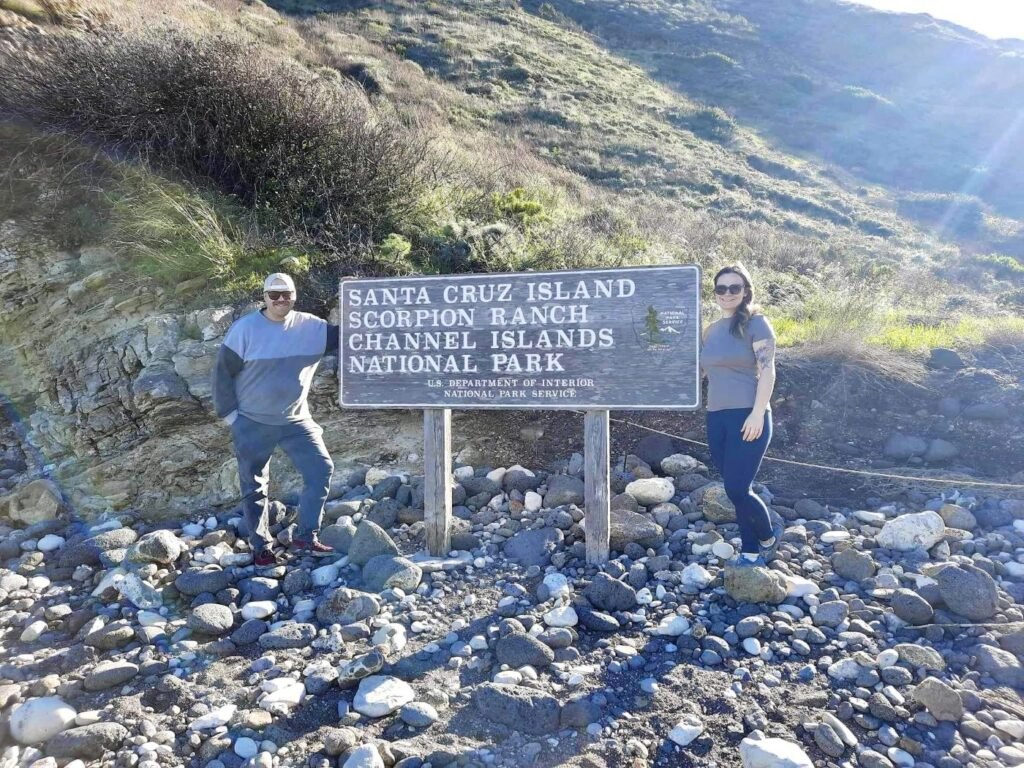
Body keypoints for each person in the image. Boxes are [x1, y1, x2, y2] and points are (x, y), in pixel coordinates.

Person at [212, 273, 339, 566]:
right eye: (274, 294)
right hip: (253, 422)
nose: (281, 300)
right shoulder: (244, 330)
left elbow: (352, 336)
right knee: (254, 486)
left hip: (296, 420)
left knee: (321, 470)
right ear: (264, 296)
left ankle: (307, 536)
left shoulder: (312, 327)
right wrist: (231, 417)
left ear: (295, 296)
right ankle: (262, 548)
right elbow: (222, 374)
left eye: (287, 294)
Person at [700, 263, 783, 567]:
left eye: (734, 288)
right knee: (736, 487)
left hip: (749, 415)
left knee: (736, 487)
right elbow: (697, 371)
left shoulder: (756, 323)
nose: (727, 293)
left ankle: (768, 535)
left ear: (746, 291)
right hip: (716, 416)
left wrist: (758, 413)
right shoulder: (709, 330)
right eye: (721, 288)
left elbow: (767, 370)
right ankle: (749, 548)